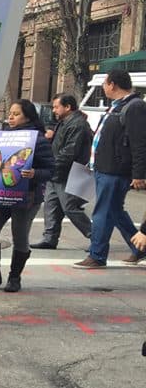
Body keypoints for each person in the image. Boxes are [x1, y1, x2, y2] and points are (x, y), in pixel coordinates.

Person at [0, 99, 54, 292]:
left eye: (16, 114)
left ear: (28, 116)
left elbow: (51, 169)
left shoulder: (38, 140)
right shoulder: (3, 137)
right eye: (10, 113)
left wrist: (35, 173)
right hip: (1, 195)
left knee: (20, 236)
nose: (10, 117)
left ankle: (14, 277)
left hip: (26, 197)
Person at [74, 68, 146, 268]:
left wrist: (139, 173)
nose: (104, 88)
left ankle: (97, 255)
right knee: (114, 211)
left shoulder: (134, 106)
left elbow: (140, 143)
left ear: (112, 84)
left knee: (103, 212)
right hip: (104, 167)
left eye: (105, 83)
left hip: (115, 170)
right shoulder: (116, 106)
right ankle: (140, 247)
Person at [31, 93, 92, 250]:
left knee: (70, 207)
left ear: (68, 107)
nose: (54, 110)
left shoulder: (77, 124)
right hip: (56, 171)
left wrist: (51, 164)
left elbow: (70, 151)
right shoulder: (64, 122)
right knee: (51, 206)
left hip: (69, 172)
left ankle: (96, 237)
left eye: (56, 107)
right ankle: (50, 238)